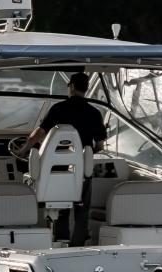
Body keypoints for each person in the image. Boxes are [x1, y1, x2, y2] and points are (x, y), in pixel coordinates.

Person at [20, 71, 107, 246]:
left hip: (56, 170)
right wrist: (83, 156)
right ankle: (79, 244)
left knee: (60, 204)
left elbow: (39, 133)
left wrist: (24, 149)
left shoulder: (58, 109)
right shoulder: (94, 113)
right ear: (86, 89)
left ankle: (61, 240)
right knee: (82, 208)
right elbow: (99, 145)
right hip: (82, 170)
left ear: (71, 87)